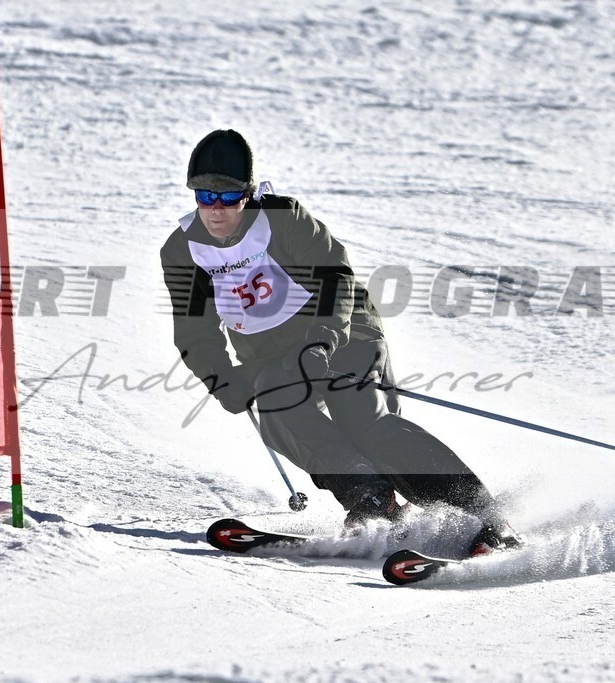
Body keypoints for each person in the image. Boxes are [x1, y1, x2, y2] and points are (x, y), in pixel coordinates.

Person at [161, 129, 521, 555]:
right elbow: (194, 332)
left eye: (228, 198)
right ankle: (372, 500)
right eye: (205, 197)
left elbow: (336, 279)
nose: (215, 210)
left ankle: (485, 516)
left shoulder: (284, 220)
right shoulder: (183, 251)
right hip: (272, 357)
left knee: (362, 419)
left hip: (344, 334)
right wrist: (222, 379)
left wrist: (323, 340)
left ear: (249, 195)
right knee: (278, 408)